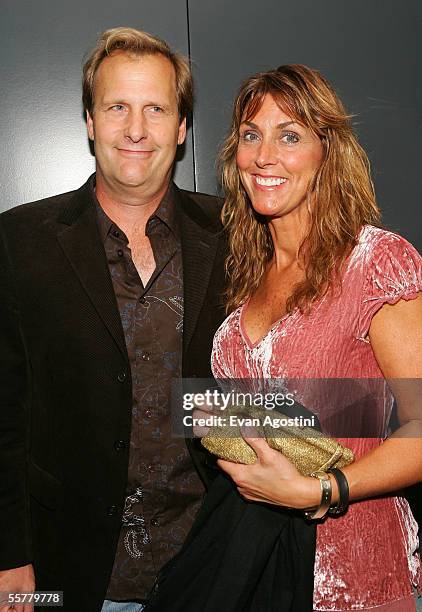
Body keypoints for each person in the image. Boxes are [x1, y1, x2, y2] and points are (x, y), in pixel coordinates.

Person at [0, 27, 226, 612]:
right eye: (117, 107)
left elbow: (269, 379)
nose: (135, 129)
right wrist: (8, 559)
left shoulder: (236, 236)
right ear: (90, 121)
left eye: (155, 109)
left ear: (181, 129)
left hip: (209, 567)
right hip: (63, 575)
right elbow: (3, 414)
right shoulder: (18, 241)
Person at [209, 64, 422, 610]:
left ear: (327, 153)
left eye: (290, 136)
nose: (265, 157)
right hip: (260, 567)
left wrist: (323, 490)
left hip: (357, 572)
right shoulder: (239, 281)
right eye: (252, 135)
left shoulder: (372, 262)